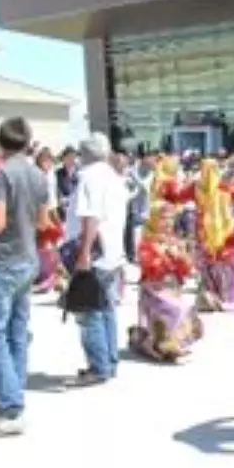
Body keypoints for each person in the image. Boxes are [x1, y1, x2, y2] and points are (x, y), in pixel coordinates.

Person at [0, 117, 51, 435]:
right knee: (17, 332)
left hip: (0, 262)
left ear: (0, 142)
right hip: (27, 260)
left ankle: (11, 407)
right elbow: (42, 223)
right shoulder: (39, 175)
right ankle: (11, 399)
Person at [65, 132, 129, 387]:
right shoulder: (114, 177)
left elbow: (90, 217)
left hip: (95, 253)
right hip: (113, 251)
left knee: (89, 310)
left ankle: (99, 366)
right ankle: (109, 362)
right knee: (107, 309)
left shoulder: (88, 177)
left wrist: (83, 253)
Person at [162, 158, 234, 312]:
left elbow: (176, 196)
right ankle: (231, 298)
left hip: (204, 232)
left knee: (208, 265)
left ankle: (211, 297)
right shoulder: (224, 186)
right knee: (227, 265)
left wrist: (168, 180)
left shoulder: (196, 187)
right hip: (224, 233)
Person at [127, 200, 204, 362]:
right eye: (163, 218)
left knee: (185, 308)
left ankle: (174, 345)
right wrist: (166, 256)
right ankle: (162, 345)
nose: (168, 223)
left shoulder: (174, 240)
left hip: (172, 287)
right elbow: (149, 266)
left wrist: (181, 257)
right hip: (153, 289)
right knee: (177, 308)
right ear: (154, 219)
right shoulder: (146, 241)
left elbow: (186, 268)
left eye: (170, 218)